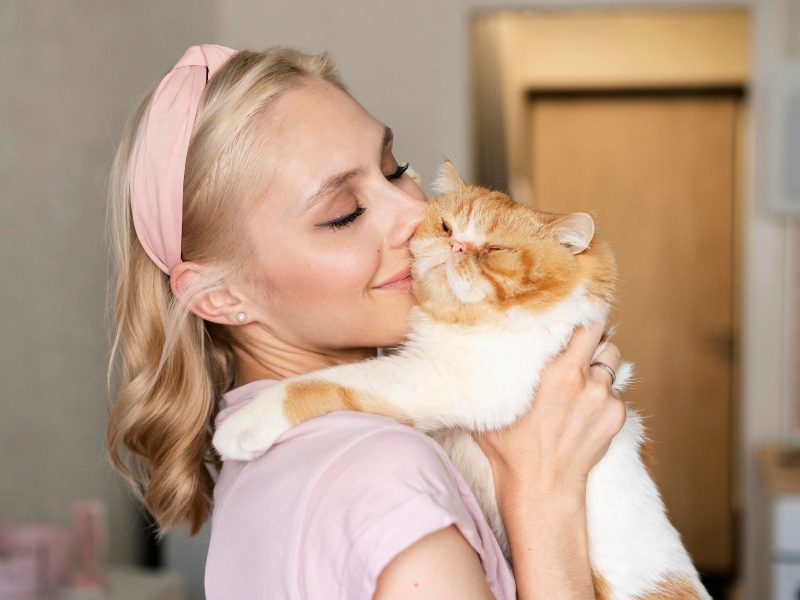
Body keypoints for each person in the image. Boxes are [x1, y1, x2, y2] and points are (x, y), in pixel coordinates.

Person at [105, 44, 626, 599]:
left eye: (395, 169)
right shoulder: (381, 471)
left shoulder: (269, 453)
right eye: (343, 214)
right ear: (216, 295)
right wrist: (545, 496)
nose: (416, 215)